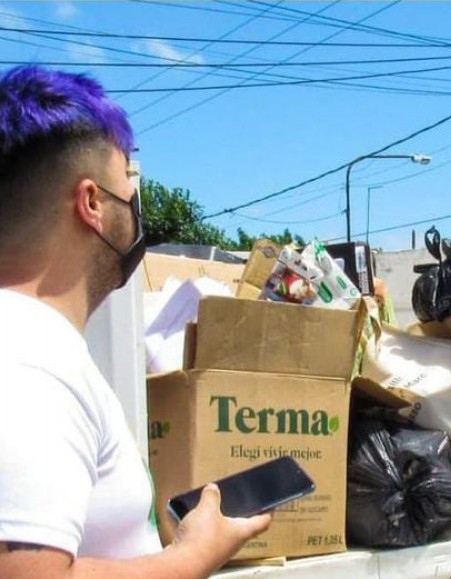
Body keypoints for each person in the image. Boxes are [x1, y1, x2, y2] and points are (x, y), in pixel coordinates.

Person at [0, 65, 272, 578]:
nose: (136, 205)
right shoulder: (27, 358)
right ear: (92, 204)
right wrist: (193, 557)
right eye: (128, 183)